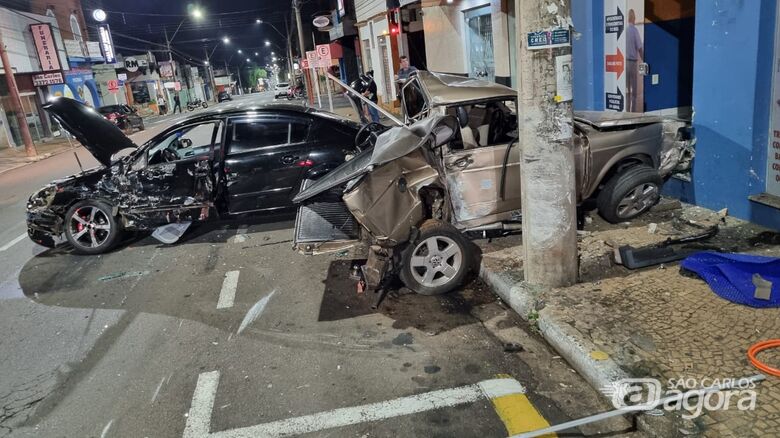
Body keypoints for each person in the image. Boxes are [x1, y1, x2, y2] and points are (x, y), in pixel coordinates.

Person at [626, 9, 644, 112]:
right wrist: (644, 59)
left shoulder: (625, 31)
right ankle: (633, 113)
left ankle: (627, 110)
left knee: (627, 89)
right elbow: (640, 48)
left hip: (625, 63)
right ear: (634, 18)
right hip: (632, 63)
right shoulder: (634, 30)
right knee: (634, 90)